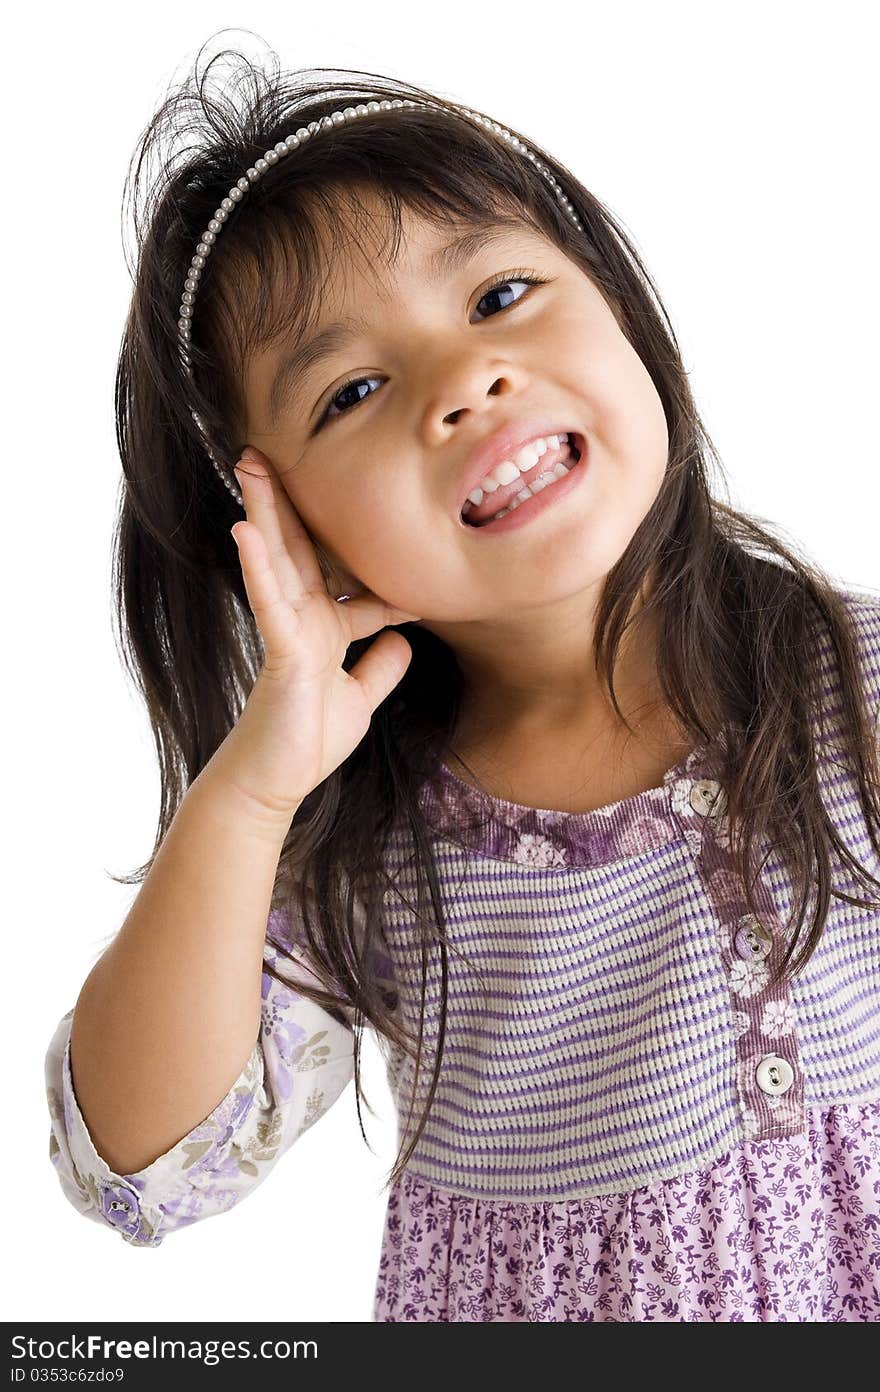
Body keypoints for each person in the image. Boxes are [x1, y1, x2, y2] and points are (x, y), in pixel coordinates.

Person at [44, 38, 880, 1322]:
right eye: (355, 390)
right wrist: (254, 792)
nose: (466, 382)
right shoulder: (364, 856)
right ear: (283, 529)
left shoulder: (852, 683)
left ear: (614, 301)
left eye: (496, 297)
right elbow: (139, 1168)